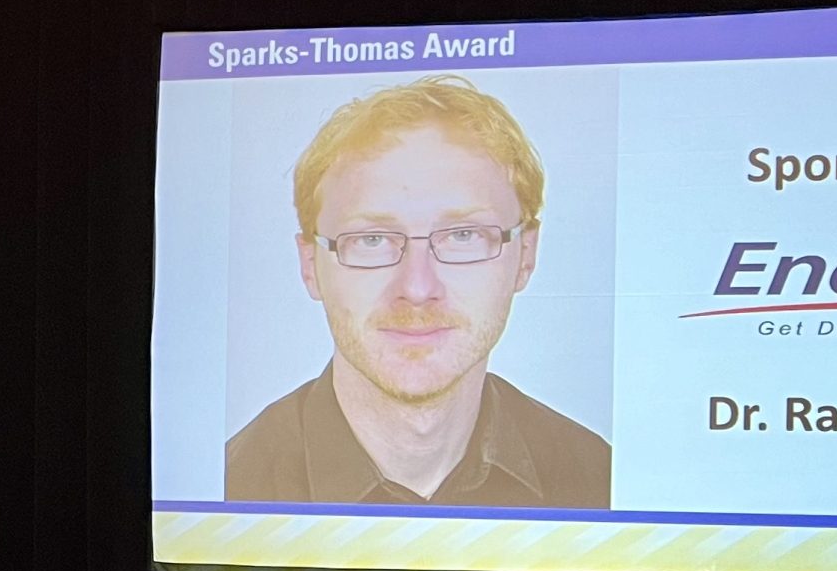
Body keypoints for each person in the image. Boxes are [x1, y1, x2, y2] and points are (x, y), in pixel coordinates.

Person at [225, 75, 611, 507]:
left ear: (525, 256)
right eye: (371, 239)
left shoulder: (601, 482)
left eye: (464, 234)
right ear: (310, 265)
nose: (417, 288)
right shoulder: (223, 492)